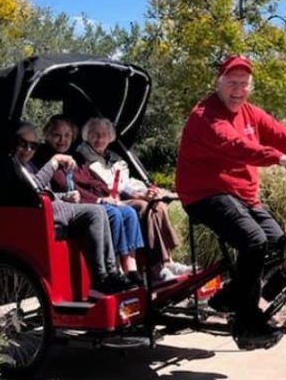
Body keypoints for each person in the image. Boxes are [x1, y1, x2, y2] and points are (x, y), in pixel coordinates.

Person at [175, 55, 286, 348]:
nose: (238, 89)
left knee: (280, 246)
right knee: (254, 241)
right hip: (205, 193)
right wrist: (279, 159)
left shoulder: (252, 114)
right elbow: (236, 146)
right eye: (232, 83)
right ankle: (246, 326)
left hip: (243, 196)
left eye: (243, 84)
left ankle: (234, 298)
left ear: (250, 87)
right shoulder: (205, 116)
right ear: (218, 83)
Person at [12, 122, 134, 297]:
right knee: (96, 212)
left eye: (33, 145)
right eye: (23, 144)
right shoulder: (16, 165)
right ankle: (99, 279)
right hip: (38, 212)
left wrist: (64, 197)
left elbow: (47, 192)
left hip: (52, 205)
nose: (28, 149)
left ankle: (111, 273)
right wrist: (54, 163)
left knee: (99, 211)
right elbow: (34, 190)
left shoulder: (29, 164)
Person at [72, 117, 188, 283]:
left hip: (119, 196)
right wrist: (138, 195)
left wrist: (146, 190)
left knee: (158, 205)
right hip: (105, 199)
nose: (99, 139)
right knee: (142, 206)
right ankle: (155, 268)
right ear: (86, 136)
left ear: (110, 137)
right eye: (95, 134)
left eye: (104, 135)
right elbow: (111, 185)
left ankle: (167, 262)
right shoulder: (83, 157)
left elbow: (126, 181)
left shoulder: (113, 157)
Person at [44, 117, 145, 286]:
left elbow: (91, 181)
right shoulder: (48, 158)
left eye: (67, 135)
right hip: (69, 206)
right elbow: (66, 186)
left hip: (85, 200)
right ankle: (113, 268)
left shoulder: (75, 156)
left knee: (128, 212)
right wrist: (99, 200)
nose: (63, 140)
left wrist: (110, 197)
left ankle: (131, 267)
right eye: (57, 135)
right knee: (111, 213)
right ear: (47, 135)